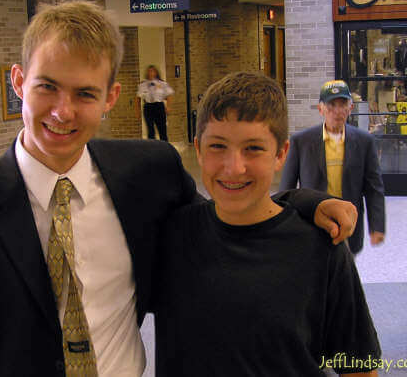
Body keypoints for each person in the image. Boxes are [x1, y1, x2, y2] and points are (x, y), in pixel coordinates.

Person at [0, 0, 357, 377]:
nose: (62, 112)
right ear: (18, 83)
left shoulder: (147, 171)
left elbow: (230, 206)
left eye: (85, 94)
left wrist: (305, 199)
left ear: (110, 98)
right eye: (47, 87)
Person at [156, 72, 380, 376]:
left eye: (254, 148)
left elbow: (357, 366)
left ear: (281, 154)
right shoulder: (170, 236)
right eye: (218, 146)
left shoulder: (320, 247)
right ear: (198, 149)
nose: (234, 168)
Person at [279, 80, 386, 255]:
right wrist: (284, 226)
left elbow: (374, 187)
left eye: (343, 104)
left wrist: (377, 226)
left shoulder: (364, 142)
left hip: (349, 223)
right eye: (331, 105)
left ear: (350, 108)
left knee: (345, 272)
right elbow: (287, 189)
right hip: (313, 221)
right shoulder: (301, 142)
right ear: (320, 109)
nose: (337, 111)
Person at [135, 65, 173, 141]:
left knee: (162, 129)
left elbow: (169, 94)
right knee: (150, 130)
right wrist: (137, 111)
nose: (151, 73)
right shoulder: (143, 84)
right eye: (149, 71)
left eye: (153, 71)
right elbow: (137, 98)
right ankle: (152, 148)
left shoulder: (162, 83)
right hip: (148, 107)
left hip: (159, 106)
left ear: (156, 72)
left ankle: (164, 147)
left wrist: (168, 106)